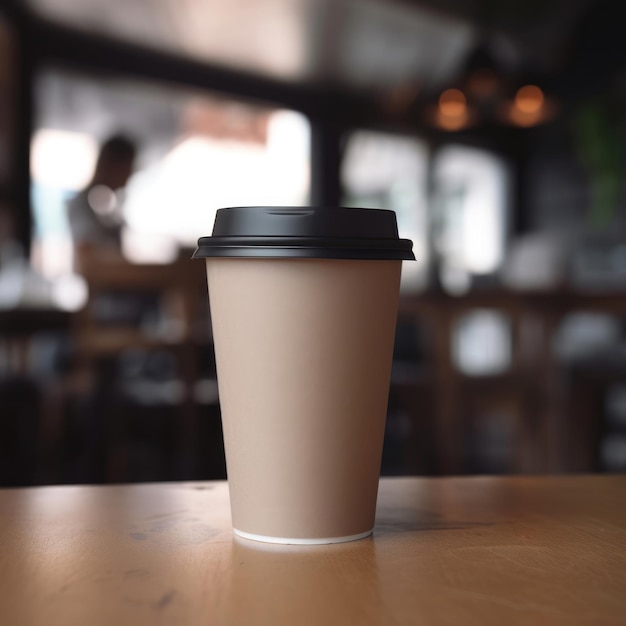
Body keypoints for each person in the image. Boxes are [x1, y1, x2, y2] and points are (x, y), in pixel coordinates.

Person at [67, 134, 137, 267]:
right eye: (128, 166)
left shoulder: (112, 202)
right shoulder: (84, 204)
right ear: (113, 165)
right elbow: (87, 250)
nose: (131, 172)